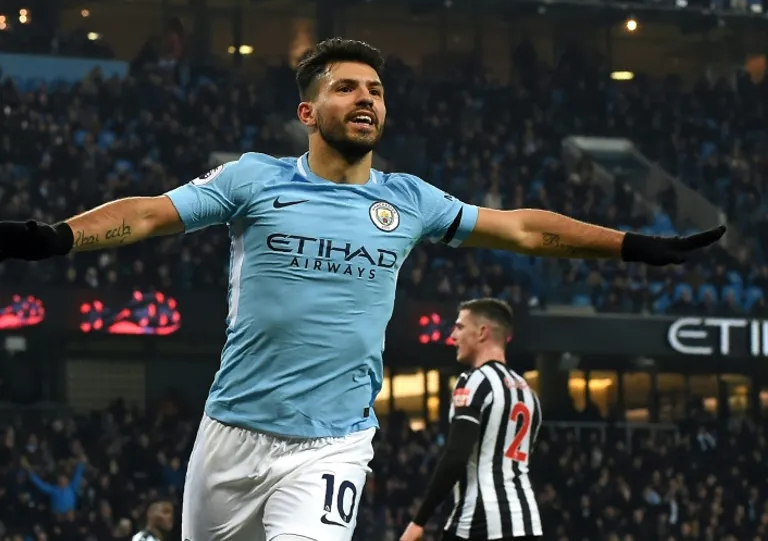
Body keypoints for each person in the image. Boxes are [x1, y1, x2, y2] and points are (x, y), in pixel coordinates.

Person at [0, 38, 724, 541]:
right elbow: (149, 214)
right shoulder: (253, 179)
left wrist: (634, 245)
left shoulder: (410, 199)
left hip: (332, 443)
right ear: (308, 113)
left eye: (375, 89)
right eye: (346, 87)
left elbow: (525, 230)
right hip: (230, 434)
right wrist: (51, 236)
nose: (366, 98)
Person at [400, 298, 542, 541]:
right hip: (527, 522)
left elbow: (456, 456)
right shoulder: (528, 392)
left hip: (482, 520)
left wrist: (419, 520)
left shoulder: (474, 381)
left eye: (460, 327)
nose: (453, 335)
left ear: (482, 332)